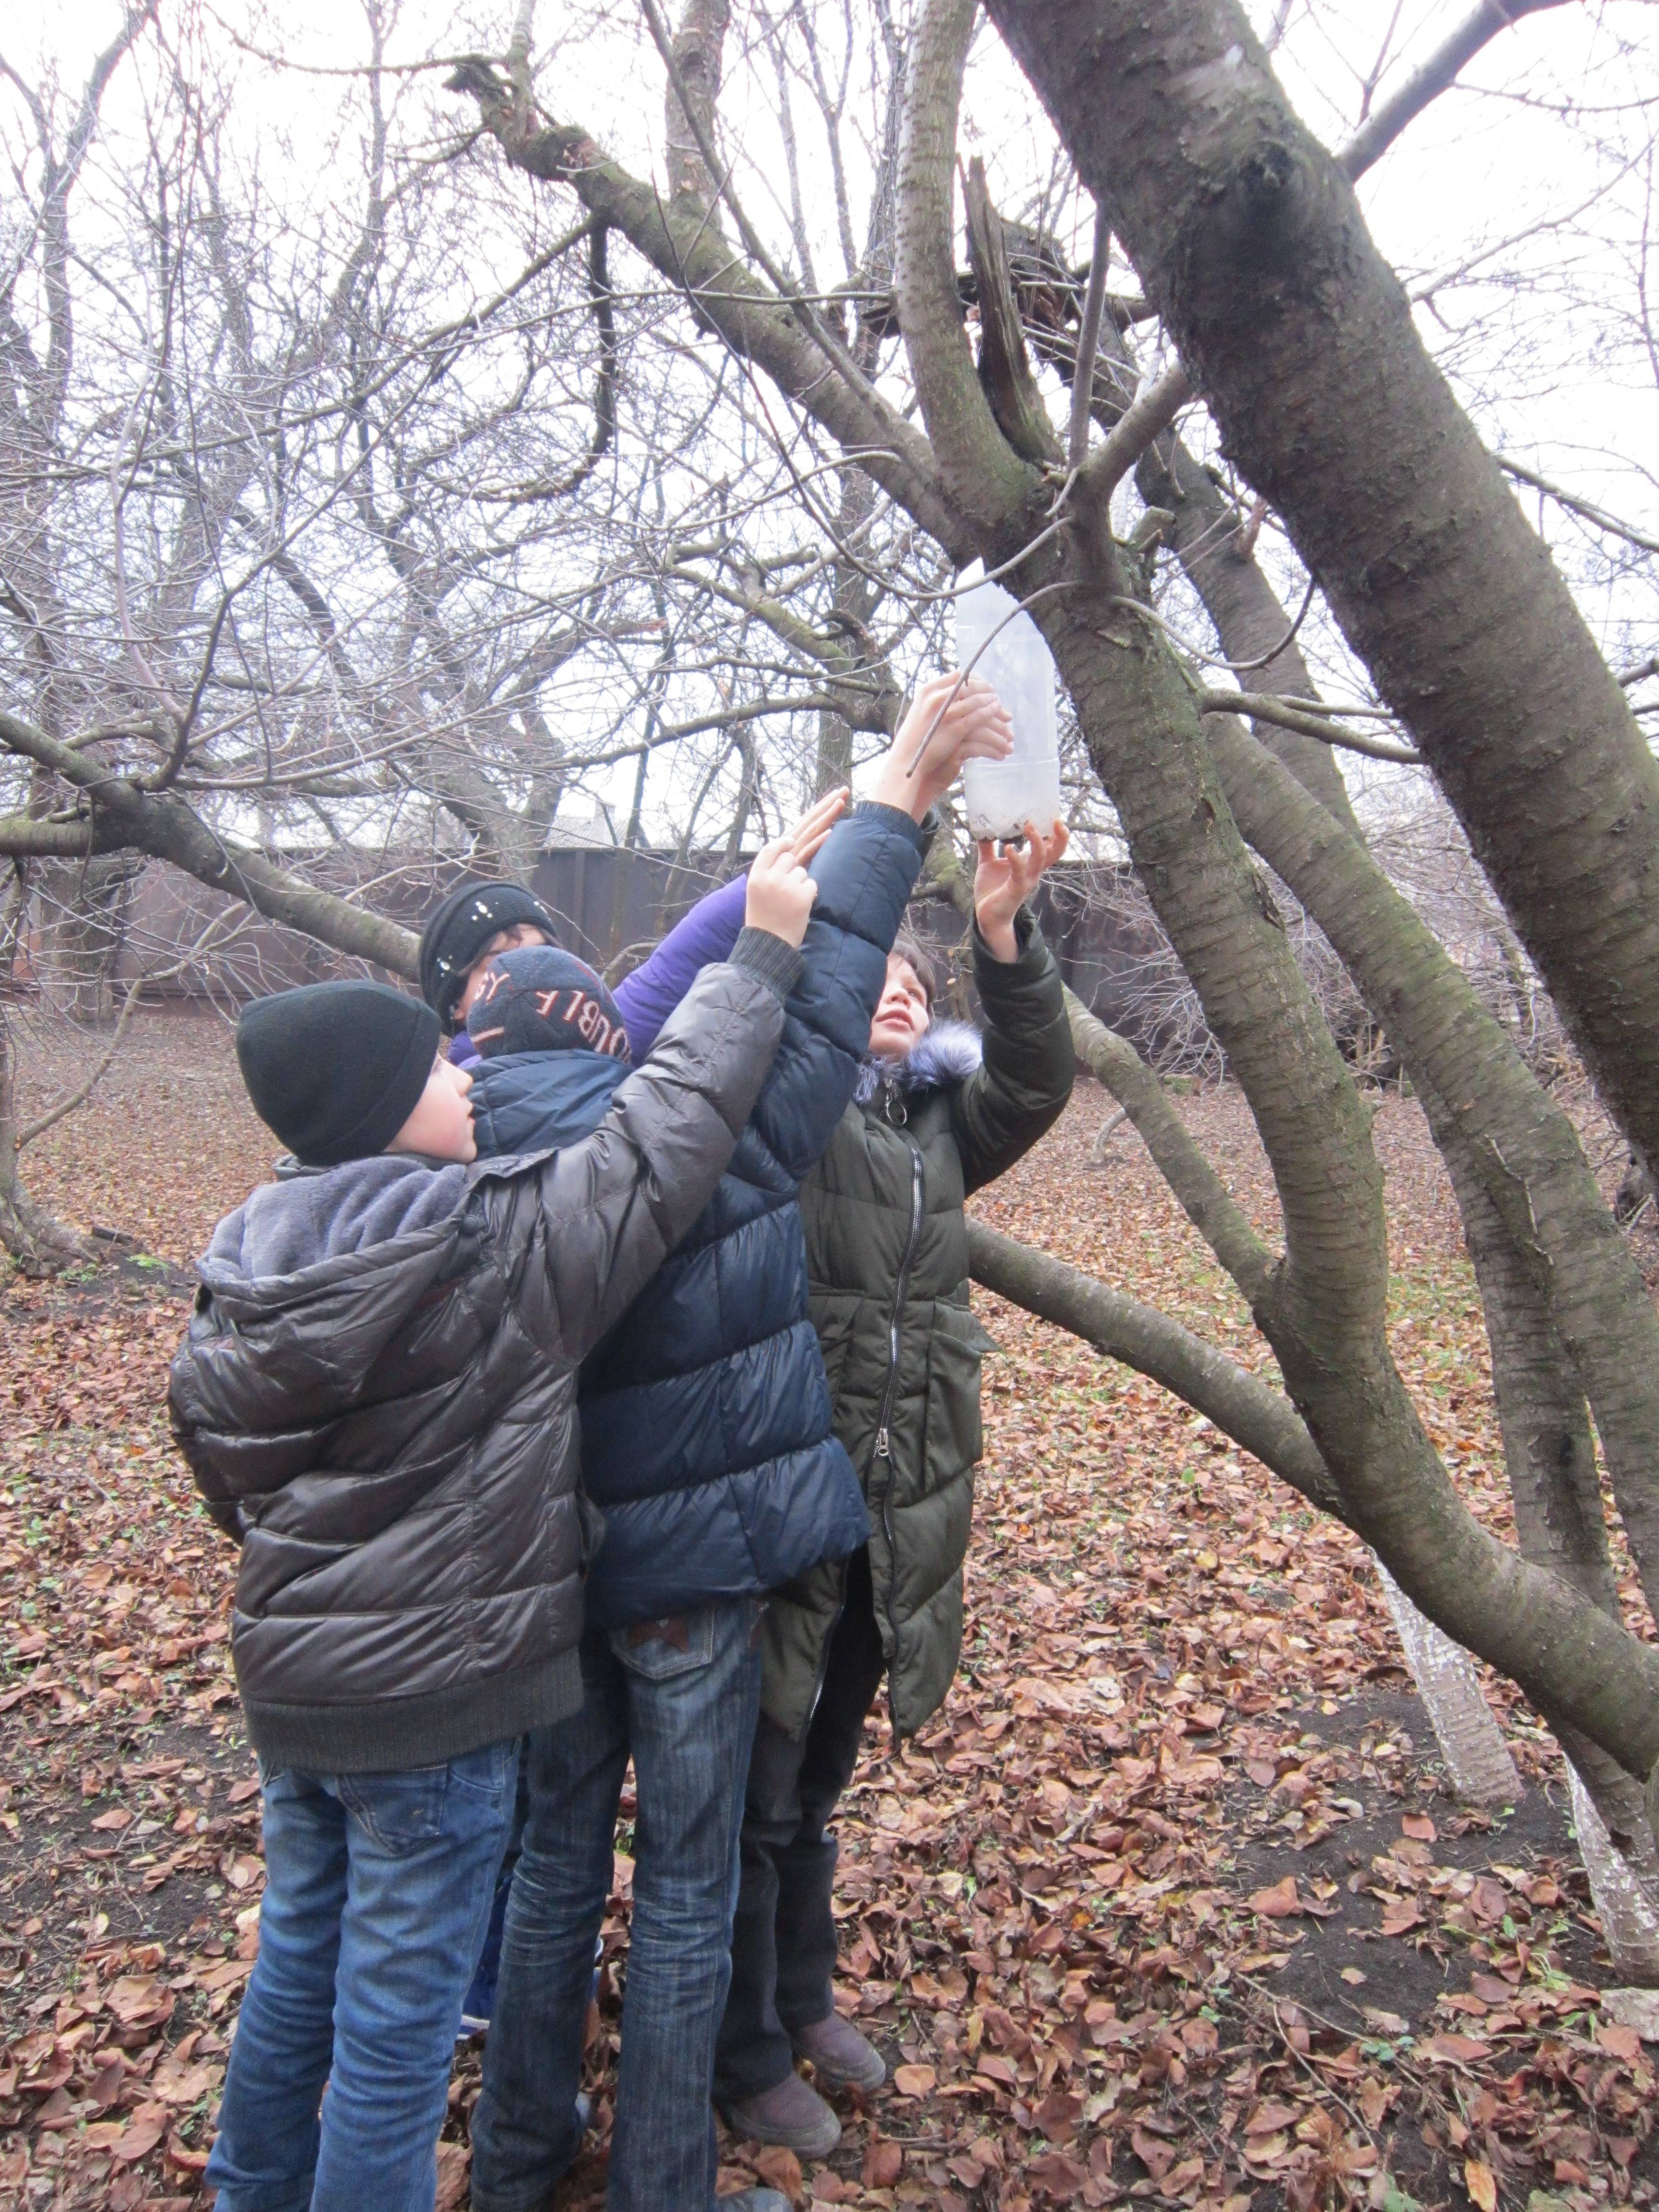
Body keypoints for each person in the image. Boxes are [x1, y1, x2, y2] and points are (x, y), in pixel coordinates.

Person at [167, 842, 820, 2212]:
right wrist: (760, 948)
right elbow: (672, 1129)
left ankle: (249, 2195)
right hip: (438, 1712)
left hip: (299, 1701)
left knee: (298, 1966)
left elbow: (225, 1481)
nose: (470, 1076)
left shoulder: (244, 1261)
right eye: (440, 1067)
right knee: (400, 2028)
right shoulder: (486, 1243)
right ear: (383, 1106)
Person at [466, 688, 1016, 2212]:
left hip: (556, 1580)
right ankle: (663, 2182)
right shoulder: (692, 1155)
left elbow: (664, 1010)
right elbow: (811, 1005)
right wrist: (888, 805)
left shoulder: (476, 1170)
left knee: (559, 1881)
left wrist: (779, 881)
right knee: (694, 1884)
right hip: (694, 1584)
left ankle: (518, 2159)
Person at [713, 817, 1076, 2157]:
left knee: (815, 1783)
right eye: (879, 976)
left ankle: (801, 2001)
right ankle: (740, 2052)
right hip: (786, 1501)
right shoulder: (779, 1117)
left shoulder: (935, 1123)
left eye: (921, 983)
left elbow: (1036, 1084)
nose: (904, 989)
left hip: (897, 1511)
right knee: (752, 1794)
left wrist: (998, 938)